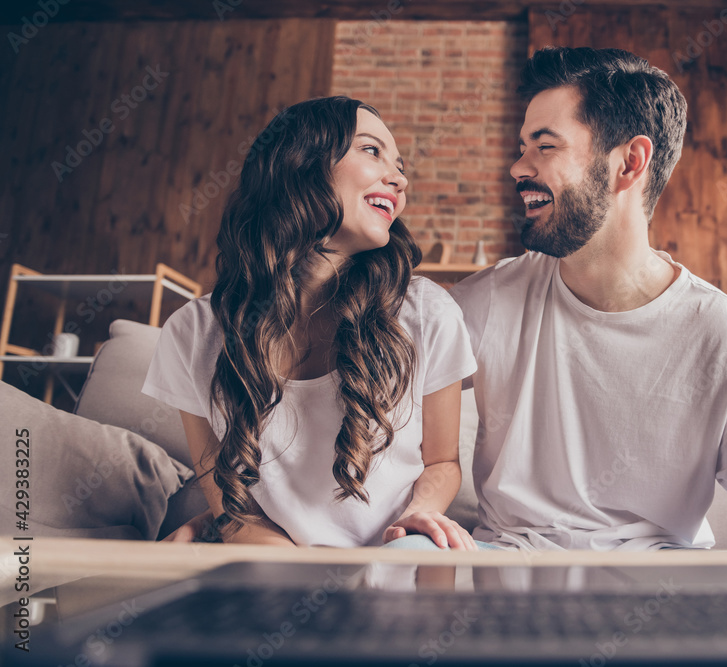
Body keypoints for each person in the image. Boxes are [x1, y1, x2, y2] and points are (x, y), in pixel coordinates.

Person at [448, 47, 727, 551]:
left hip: (661, 590)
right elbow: (377, 382)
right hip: (508, 571)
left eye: (545, 146)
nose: (518, 167)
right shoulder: (491, 299)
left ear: (629, 163)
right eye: (523, 147)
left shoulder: (725, 336)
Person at [141, 96, 481, 550]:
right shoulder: (193, 333)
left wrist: (420, 514)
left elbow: (443, 461)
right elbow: (229, 504)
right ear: (300, 165)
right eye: (372, 151)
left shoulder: (426, 311)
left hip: (395, 552)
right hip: (271, 562)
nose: (399, 179)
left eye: (400, 166)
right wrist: (298, 584)